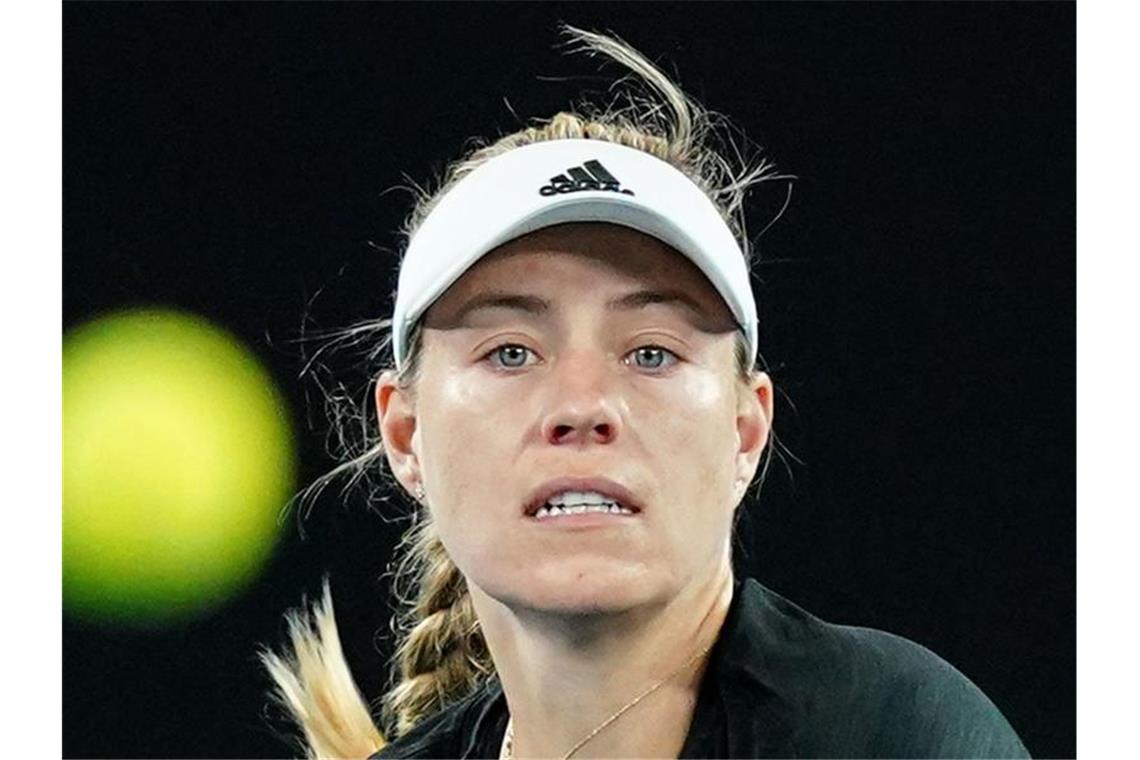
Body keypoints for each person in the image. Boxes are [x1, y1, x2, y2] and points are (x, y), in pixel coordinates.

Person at [261, 24, 1030, 760]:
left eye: (653, 353)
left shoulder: (887, 731)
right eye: (510, 352)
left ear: (745, 431)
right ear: (406, 435)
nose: (583, 406)